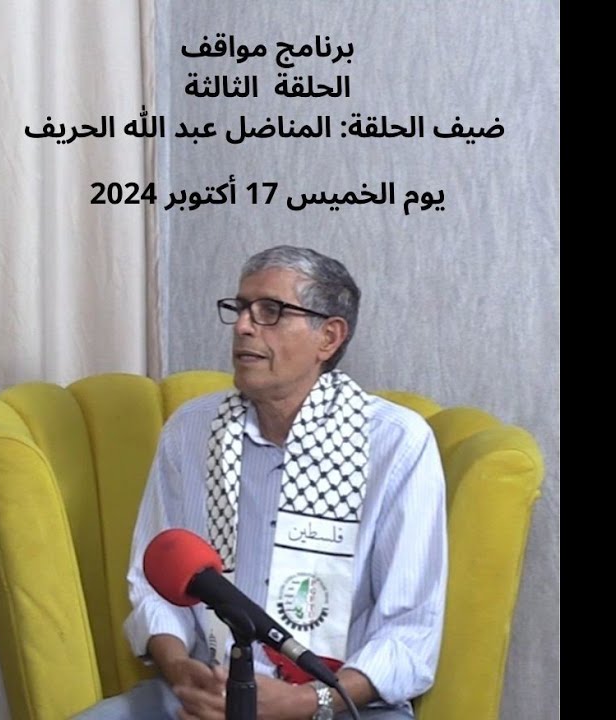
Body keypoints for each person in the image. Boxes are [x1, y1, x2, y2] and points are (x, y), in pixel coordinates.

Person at [76, 246, 447, 720]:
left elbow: (410, 633)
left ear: (328, 337)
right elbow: (155, 580)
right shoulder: (191, 431)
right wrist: (182, 672)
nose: (243, 326)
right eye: (240, 308)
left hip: (342, 704)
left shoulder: (395, 443)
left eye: (270, 311)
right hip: (206, 693)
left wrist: (303, 701)